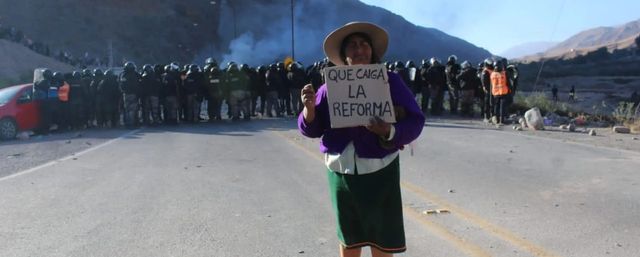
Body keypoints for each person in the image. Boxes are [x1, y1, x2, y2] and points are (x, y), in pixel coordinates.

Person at [298, 22, 425, 257]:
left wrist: (388, 131)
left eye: (364, 44)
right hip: (340, 171)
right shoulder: (328, 88)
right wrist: (309, 111)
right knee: (349, 238)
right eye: (353, 46)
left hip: (380, 169)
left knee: (383, 239)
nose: (359, 50)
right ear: (344, 56)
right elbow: (311, 128)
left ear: (372, 51)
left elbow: (416, 120)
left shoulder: (390, 81)